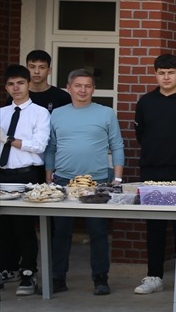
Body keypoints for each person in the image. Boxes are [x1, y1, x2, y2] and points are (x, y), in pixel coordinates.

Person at [44, 69, 124, 296]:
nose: (82, 90)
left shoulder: (106, 113)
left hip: (97, 181)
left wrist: (117, 178)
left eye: (87, 86)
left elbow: (117, 145)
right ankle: (58, 277)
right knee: (61, 232)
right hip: (63, 180)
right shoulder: (57, 115)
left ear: (93, 89)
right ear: (68, 88)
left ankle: (100, 278)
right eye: (78, 85)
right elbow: (50, 147)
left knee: (98, 231)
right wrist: (48, 173)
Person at [131, 54, 176, 295]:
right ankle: (154, 276)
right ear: (156, 74)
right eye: (161, 73)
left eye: (171, 72)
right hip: (153, 170)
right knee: (155, 225)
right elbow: (141, 135)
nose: (166, 77)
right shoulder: (146, 102)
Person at [0, 64, 51, 296]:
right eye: (11, 84)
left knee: (24, 227)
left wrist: (9, 139)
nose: (16, 88)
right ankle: (7, 268)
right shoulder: (1, 113)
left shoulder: (40, 112)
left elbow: (39, 146)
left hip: (27, 174)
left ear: (29, 84)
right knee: (4, 227)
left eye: (20, 83)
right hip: (3, 173)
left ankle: (28, 272)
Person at [24, 50, 71, 114]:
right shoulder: (18, 96)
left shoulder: (62, 97)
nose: (36, 71)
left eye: (42, 67)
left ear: (49, 70)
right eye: (32, 67)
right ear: (26, 70)